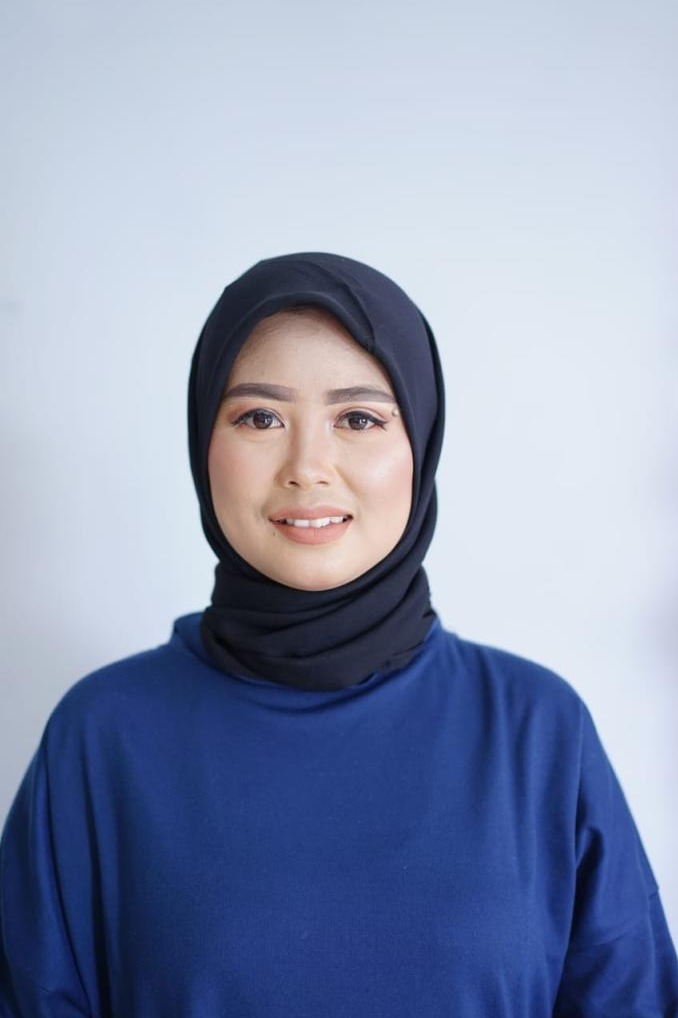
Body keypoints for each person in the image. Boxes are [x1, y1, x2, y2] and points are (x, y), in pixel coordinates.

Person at [1, 252, 676, 1017]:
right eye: (260, 418)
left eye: (358, 419)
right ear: (201, 442)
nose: (307, 467)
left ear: (420, 442)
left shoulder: (538, 731)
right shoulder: (102, 737)